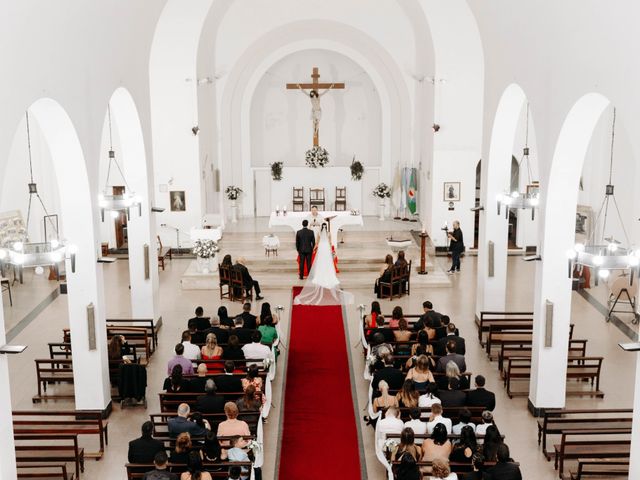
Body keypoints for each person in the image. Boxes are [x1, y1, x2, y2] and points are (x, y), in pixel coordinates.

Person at [294, 222, 351, 305]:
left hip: (321, 248)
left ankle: (318, 275)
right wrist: (332, 250)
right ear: (326, 227)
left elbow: (316, 242)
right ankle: (327, 274)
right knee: (327, 262)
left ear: (321, 227)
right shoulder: (328, 233)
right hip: (326, 248)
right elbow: (330, 242)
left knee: (320, 262)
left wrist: (314, 248)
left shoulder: (319, 233)